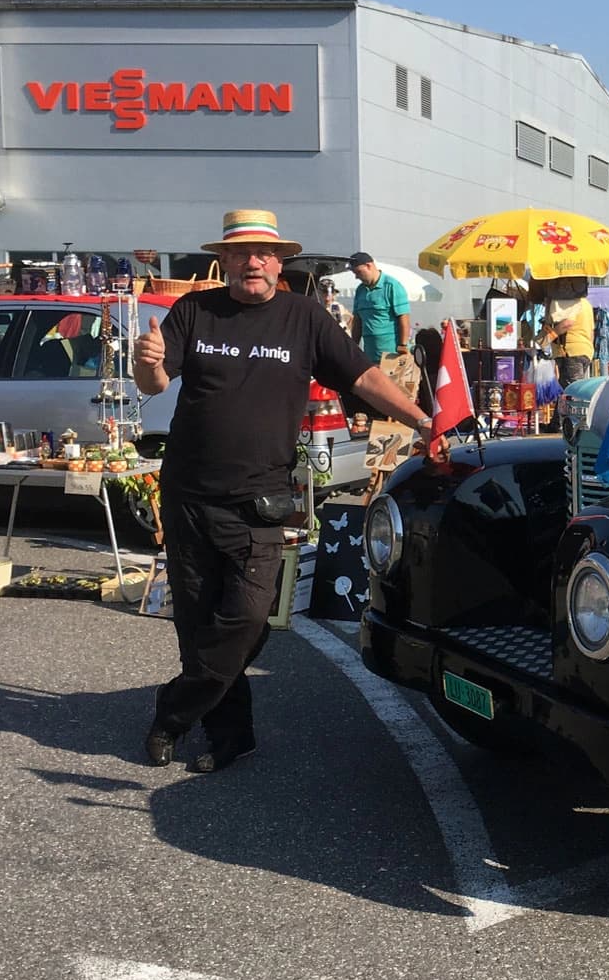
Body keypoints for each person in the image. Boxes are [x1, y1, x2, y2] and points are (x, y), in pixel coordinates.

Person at [132, 209, 436, 774]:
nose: (253, 262)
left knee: (246, 620)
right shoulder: (194, 310)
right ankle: (231, 738)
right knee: (197, 623)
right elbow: (154, 380)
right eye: (241, 252)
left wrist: (423, 420)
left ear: (279, 261)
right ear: (222, 260)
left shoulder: (305, 317)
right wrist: (145, 365)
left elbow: (365, 378)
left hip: (259, 500)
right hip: (189, 495)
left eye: (264, 253)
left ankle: (172, 711)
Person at [348, 252, 410, 356]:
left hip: (392, 354)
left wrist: (403, 345)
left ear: (369, 266)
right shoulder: (360, 290)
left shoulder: (392, 286)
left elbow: (404, 318)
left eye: (358, 272)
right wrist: (353, 346)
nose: (356, 277)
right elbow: (357, 321)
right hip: (369, 354)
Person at [540, 275, 595, 386]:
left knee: (571, 392)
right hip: (585, 351)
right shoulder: (586, 304)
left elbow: (567, 323)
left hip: (570, 352)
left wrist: (547, 338)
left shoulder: (567, 303)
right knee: (573, 390)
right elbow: (591, 332)